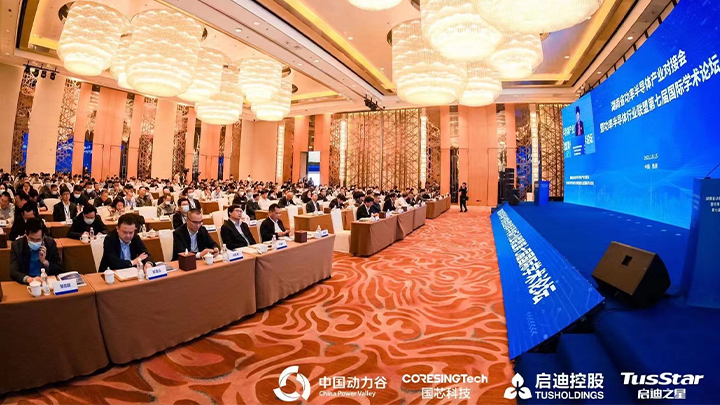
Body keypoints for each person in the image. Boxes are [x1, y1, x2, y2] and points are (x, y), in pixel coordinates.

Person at [9, 218, 62, 284]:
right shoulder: (17, 245)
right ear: (26, 235)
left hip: (46, 281)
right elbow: (13, 271)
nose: (35, 242)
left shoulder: (50, 243)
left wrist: (45, 262)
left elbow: (59, 268)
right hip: (27, 282)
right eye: (31, 239)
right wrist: (29, 279)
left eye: (38, 240)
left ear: (43, 237)